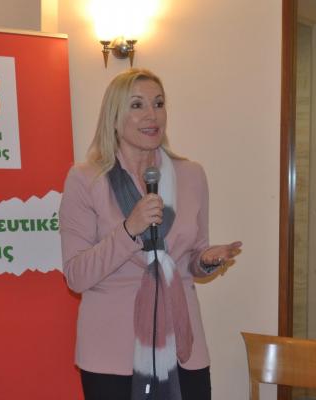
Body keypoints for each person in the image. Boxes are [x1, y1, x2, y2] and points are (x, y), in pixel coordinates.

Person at [59, 68, 242, 400]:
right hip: (111, 354)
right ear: (114, 118)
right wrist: (129, 230)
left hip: (183, 351)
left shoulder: (191, 175)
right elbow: (76, 275)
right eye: (137, 105)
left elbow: (191, 259)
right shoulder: (85, 179)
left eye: (158, 103)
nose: (152, 115)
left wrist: (206, 260)